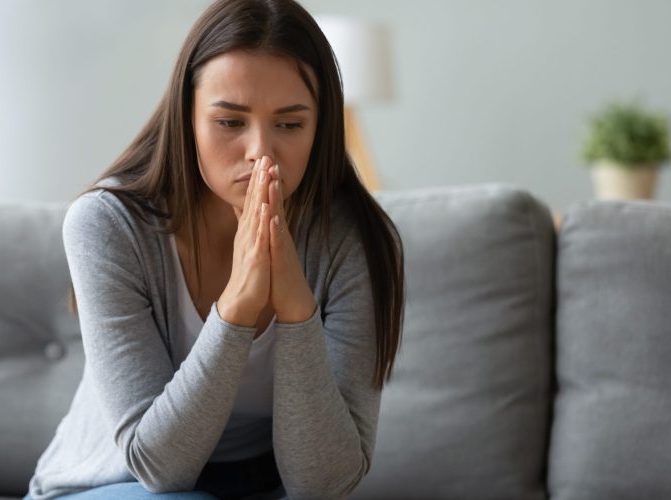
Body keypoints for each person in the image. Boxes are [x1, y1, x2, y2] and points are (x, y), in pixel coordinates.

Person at [26, 0, 404, 498]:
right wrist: (237, 309)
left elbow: (323, 484)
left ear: (322, 128)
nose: (260, 152)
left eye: (290, 125)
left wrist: (296, 310)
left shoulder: (355, 241)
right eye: (230, 122)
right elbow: (157, 467)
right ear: (187, 120)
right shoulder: (107, 225)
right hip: (117, 485)